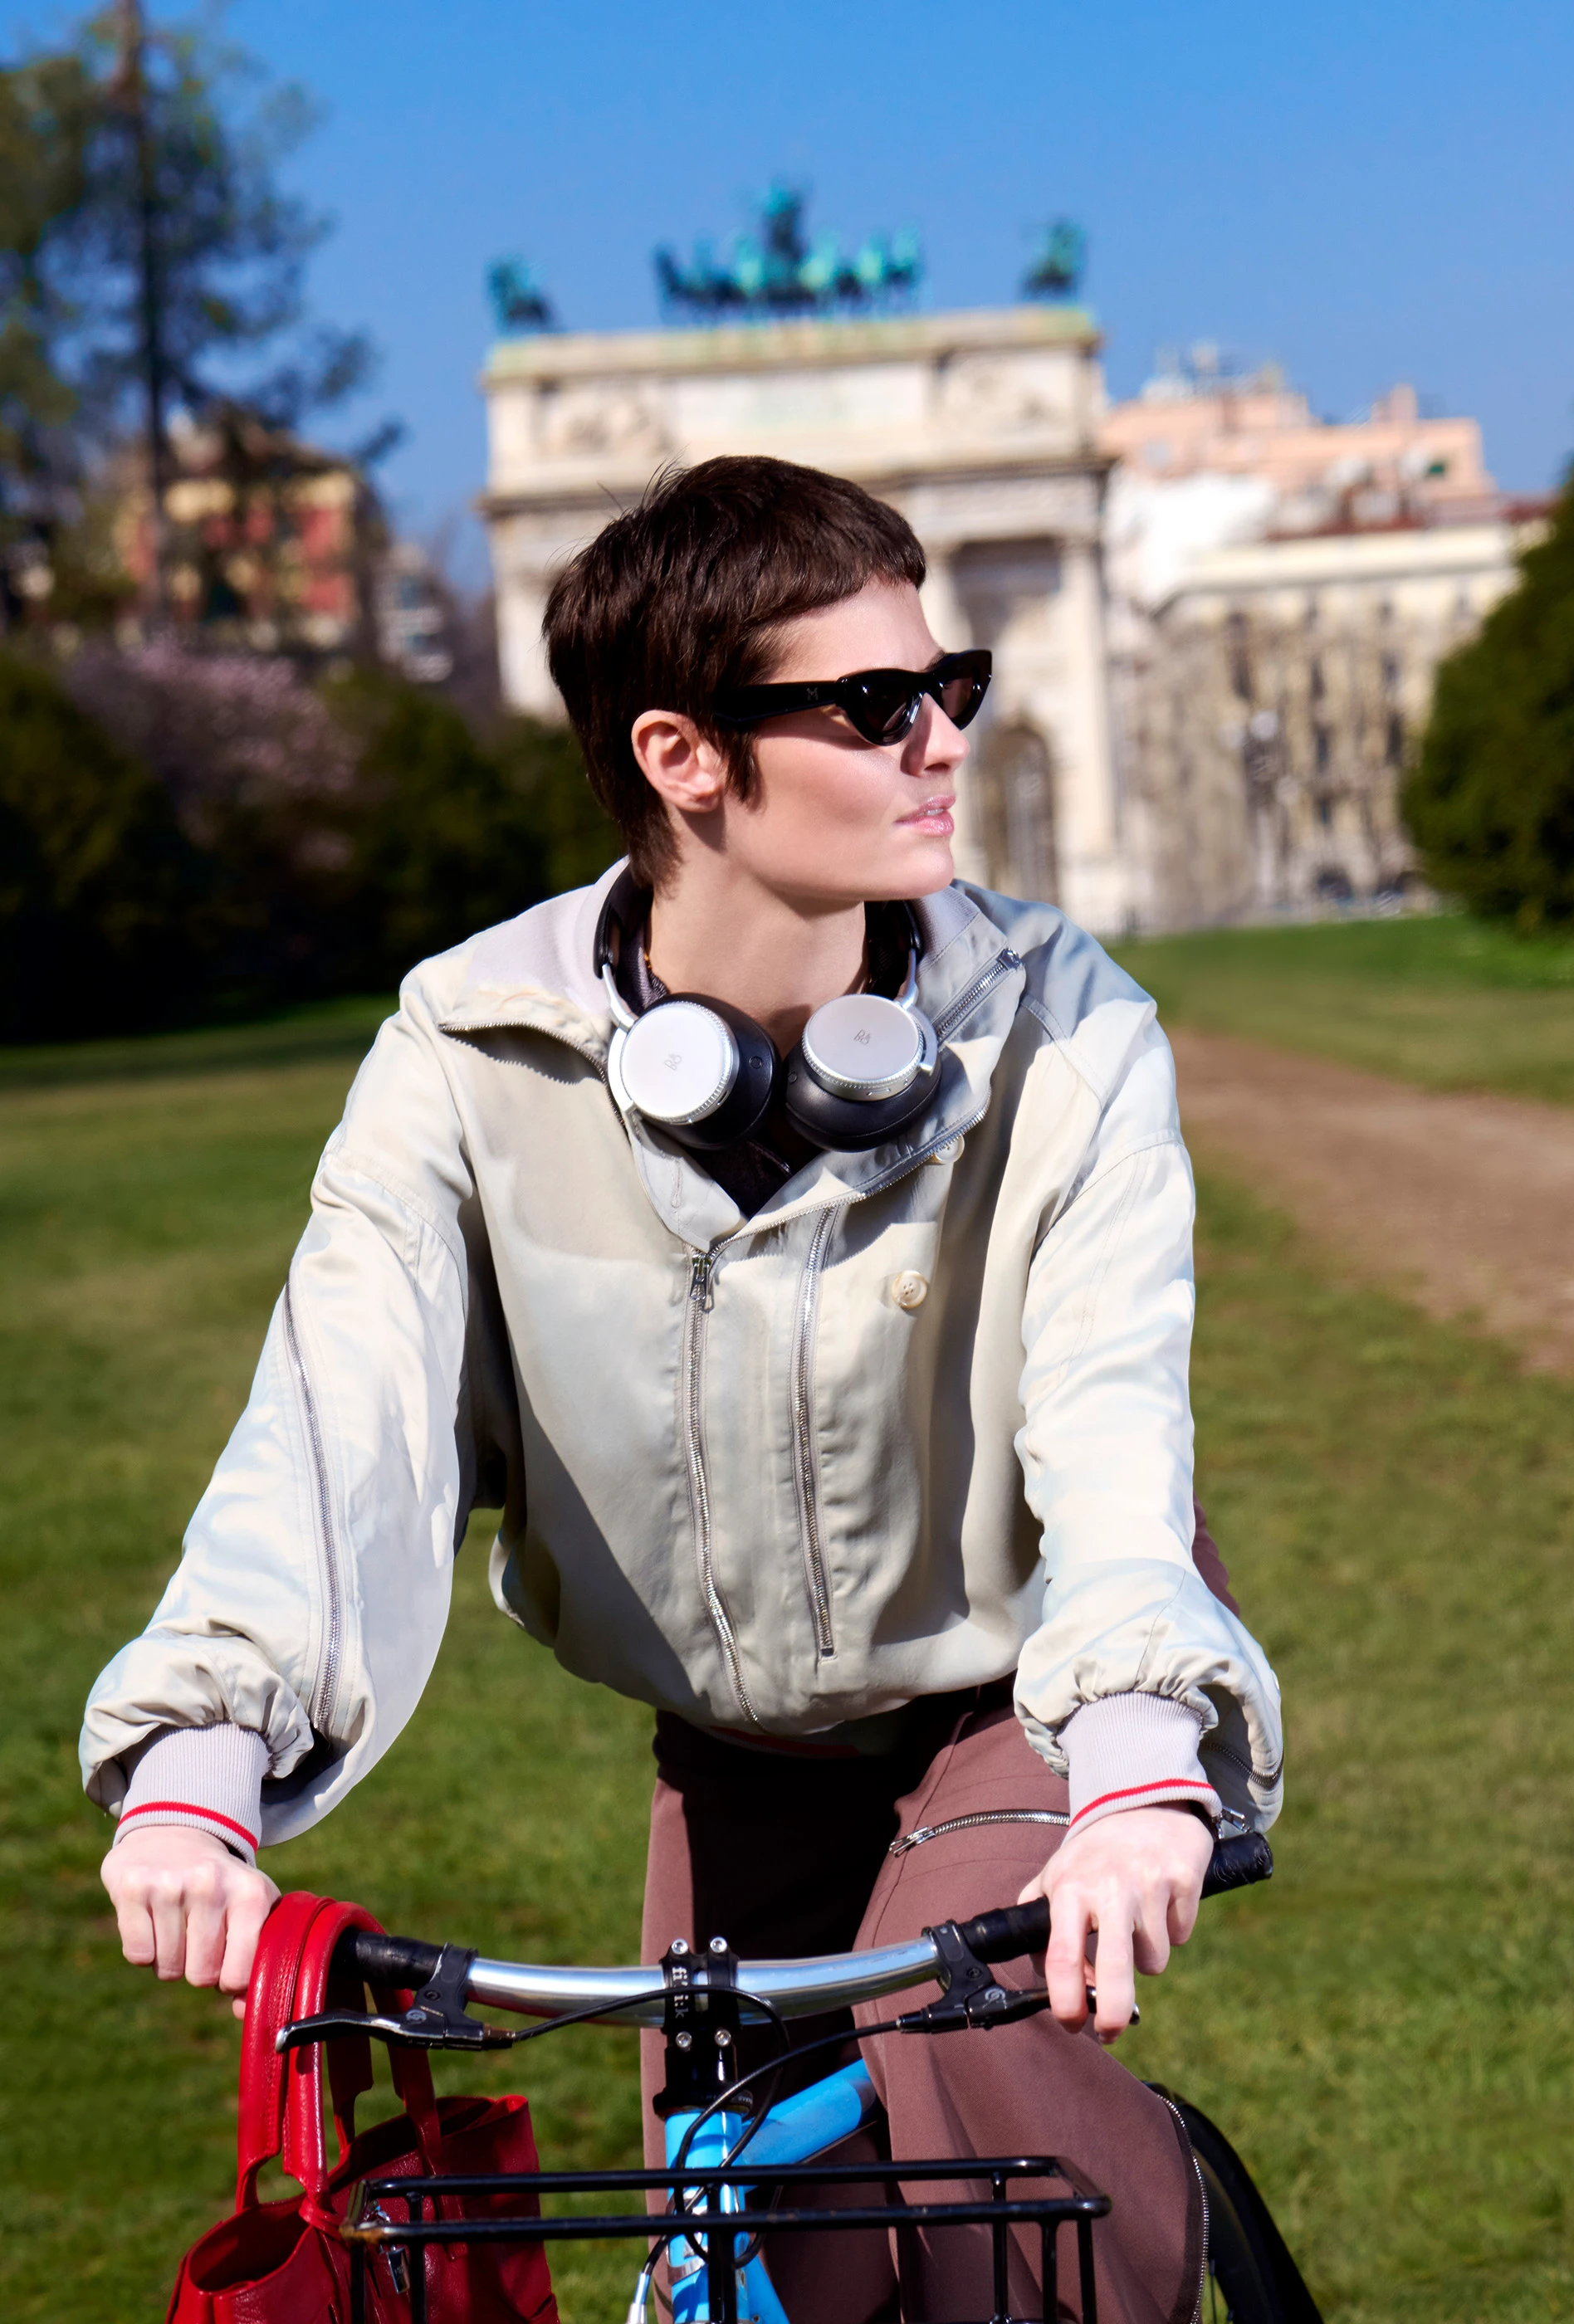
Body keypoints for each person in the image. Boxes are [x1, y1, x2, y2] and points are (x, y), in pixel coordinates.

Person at [83, 455, 1283, 2324]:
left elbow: (1118, 1428)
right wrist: (197, 1765)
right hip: (734, 1752)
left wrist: (1142, 1769)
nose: (942, 738)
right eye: (875, 705)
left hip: (1022, 1703)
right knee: (726, 2236)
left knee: (961, 2093)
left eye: (946, 683)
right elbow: (344, 1420)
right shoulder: (469, 1051)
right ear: (683, 756)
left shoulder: (1068, 1027)